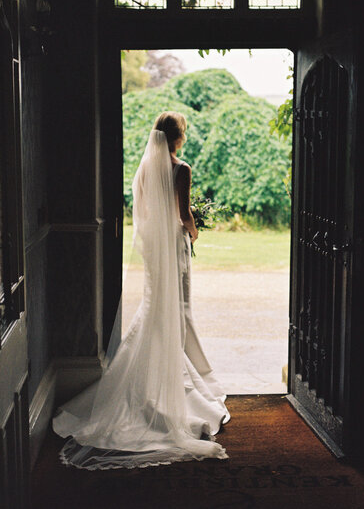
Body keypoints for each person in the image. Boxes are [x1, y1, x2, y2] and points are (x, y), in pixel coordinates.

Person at [52, 111, 230, 470]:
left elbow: (147, 213)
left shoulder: (146, 168)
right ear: (178, 136)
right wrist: (194, 230)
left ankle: (152, 380)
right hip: (174, 249)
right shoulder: (182, 169)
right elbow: (182, 215)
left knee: (155, 309)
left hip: (152, 249)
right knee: (177, 308)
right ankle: (174, 386)